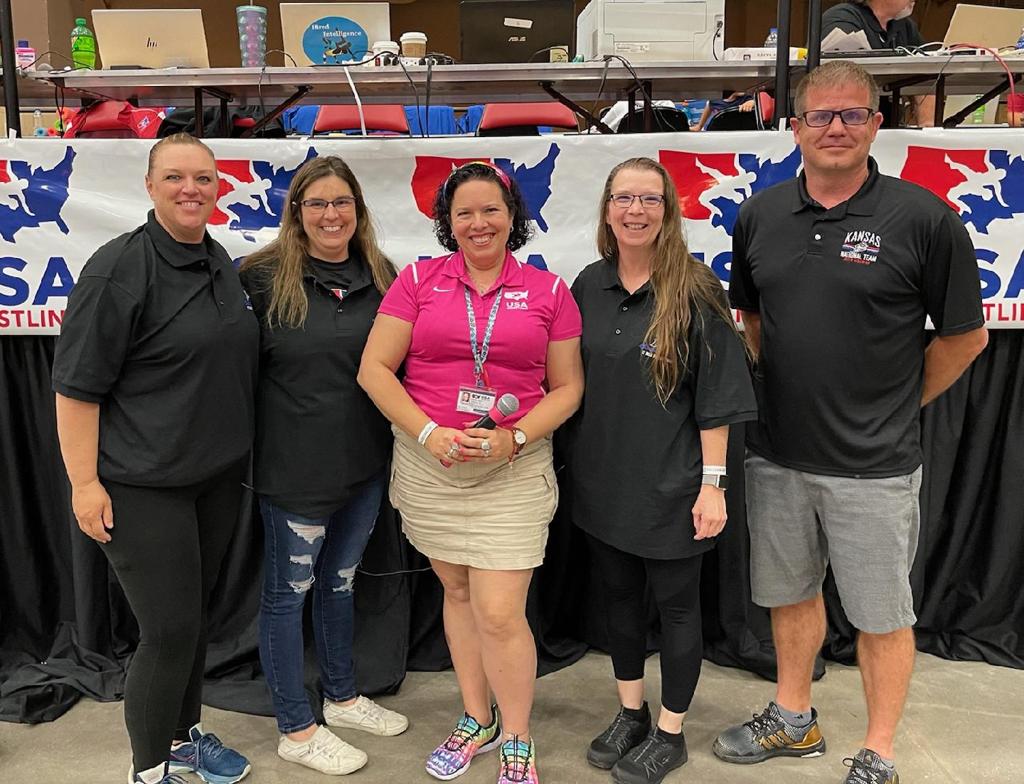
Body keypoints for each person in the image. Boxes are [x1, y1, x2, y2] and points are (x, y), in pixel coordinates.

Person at [712, 60, 988, 784]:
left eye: (852, 114)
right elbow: (753, 320)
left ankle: (880, 751)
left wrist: (895, 404)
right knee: (790, 595)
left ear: (876, 123)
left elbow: (965, 338)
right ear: (794, 126)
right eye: (820, 115)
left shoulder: (924, 220)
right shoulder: (760, 216)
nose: (835, 127)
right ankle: (793, 718)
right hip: (778, 454)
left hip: (875, 466)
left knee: (881, 615)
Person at [357, 161, 584, 784]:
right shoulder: (416, 281)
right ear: (448, 222)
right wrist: (428, 433)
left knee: (500, 612)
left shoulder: (549, 291)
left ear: (512, 218)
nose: (478, 223)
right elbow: (374, 370)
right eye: (465, 213)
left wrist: (514, 438)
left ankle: (517, 735)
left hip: (512, 469)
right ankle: (477, 718)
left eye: (491, 210)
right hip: (430, 466)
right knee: (456, 593)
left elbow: (568, 388)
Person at [52, 133, 258, 784]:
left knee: (192, 624)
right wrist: (84, 483)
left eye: (203, 177)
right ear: (149, 186)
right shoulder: (118, 269)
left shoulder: (216, 258)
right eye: (174, 177)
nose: (190, 189)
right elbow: (76, 389)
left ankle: (182, 739)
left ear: (218, 187)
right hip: (143, 487)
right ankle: (148, 771)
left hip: (213, 480)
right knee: (167, 633)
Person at [568, 157, 756, 784]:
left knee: (676, 610)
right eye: (624, 198)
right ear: (607, 209)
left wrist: (713, 486)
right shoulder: (588, 285)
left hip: (674, 488)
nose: (636, 210)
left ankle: (670, 732)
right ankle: (631, 714)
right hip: (603, 481)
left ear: (668, 211)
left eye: (650, 199)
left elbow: (718, 400)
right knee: (619, 601)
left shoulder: (696, 289)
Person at [238, 155, 408, 776]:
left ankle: (341, 697)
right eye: (317, 203)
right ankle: (296, 727)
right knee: (288, 597)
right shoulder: (259, 277)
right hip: (293, 473)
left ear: (357, 209)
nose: (331, 214)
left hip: (363, 466)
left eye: (342, 202)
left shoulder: (383, 275)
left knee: (340, 584)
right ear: (297, 212)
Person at [821, 0, 935, 126]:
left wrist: (928, 126)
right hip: (849, 126)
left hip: (889, 128)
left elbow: (927, 75)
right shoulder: (842, 19)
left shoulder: (904, 25)